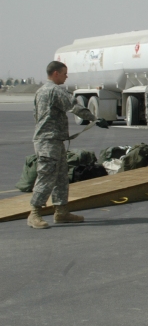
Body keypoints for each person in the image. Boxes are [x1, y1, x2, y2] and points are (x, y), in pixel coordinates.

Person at [27, 61, 109, 229]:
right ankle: (34, 213)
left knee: (61, 176)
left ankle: (61, 212)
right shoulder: (55, 90)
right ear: (55, 73)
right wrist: (95, 118)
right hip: (48, 141)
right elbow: (74, 106)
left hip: (52, 140)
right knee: (47, 176)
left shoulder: (40, 91)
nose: (66, 76)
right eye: (64, 73)